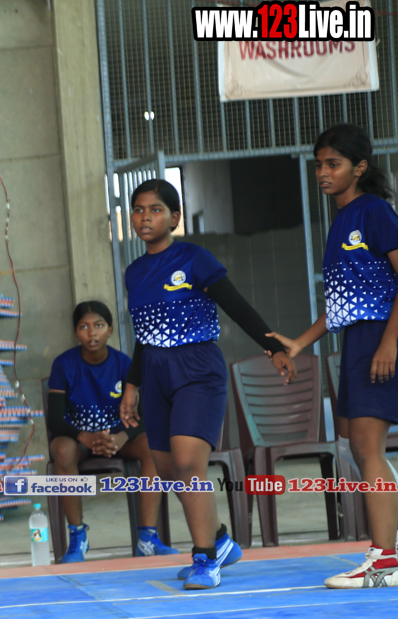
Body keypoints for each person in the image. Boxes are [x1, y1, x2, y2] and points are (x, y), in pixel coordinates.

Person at [118, 179, 296, 590]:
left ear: (174, 218)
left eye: (156, 210)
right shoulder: (134, 273)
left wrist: (274, 348)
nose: (145, 217)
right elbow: (146, 334)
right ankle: (220, 541)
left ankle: (204, 558)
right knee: (169, 471)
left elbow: (236, 306)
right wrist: (132, 385)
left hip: (197, 369)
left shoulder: (194, 258)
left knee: (187, 464)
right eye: (138, 209)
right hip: (156, 374)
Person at [266, 124, 398, 589]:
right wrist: (301, 343)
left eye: (333, 164)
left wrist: (389, 343)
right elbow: (345, 301)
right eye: (319, 164)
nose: (323, 172)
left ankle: (384, 561)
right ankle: (386, 556)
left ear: (359, 168)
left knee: (366, 448)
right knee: (363, 449)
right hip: (359, 342)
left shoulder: (374, 211)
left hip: (381, 340)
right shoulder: (341, 219)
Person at [47, 301, 168, 562]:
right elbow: (54, 420)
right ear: (75, 332)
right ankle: (78, 537)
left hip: (117, 439)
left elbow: (145, 415)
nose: (92, 333)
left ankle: (147, 538)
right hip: (79, 441)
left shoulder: (125, 365)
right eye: (84, 327)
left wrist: (121, 436)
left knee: (154, 446)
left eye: (99, 325)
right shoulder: (63, 365)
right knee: (62, 450)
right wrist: (84, 437)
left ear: (110, 330)